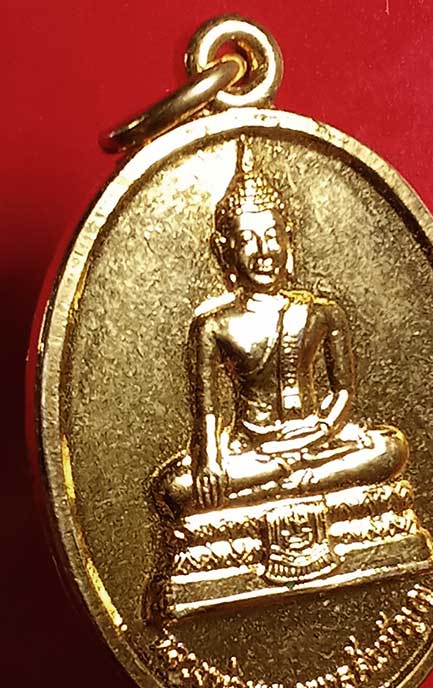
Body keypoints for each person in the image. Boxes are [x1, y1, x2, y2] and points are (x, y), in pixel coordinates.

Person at [160, 139, 408, 515]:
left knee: (391, 447)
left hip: (315, 442)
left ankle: (289, 479)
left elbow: (343, 390)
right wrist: (209, 460)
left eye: (273, 236)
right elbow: (207, 411)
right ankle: (293, 478)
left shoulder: (322, 313)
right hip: (253, 452)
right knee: (176, 488)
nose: (264, 251)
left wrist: (322, 428)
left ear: (288, 238)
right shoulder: (213, 326)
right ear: (224, 250)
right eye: (247, 240)